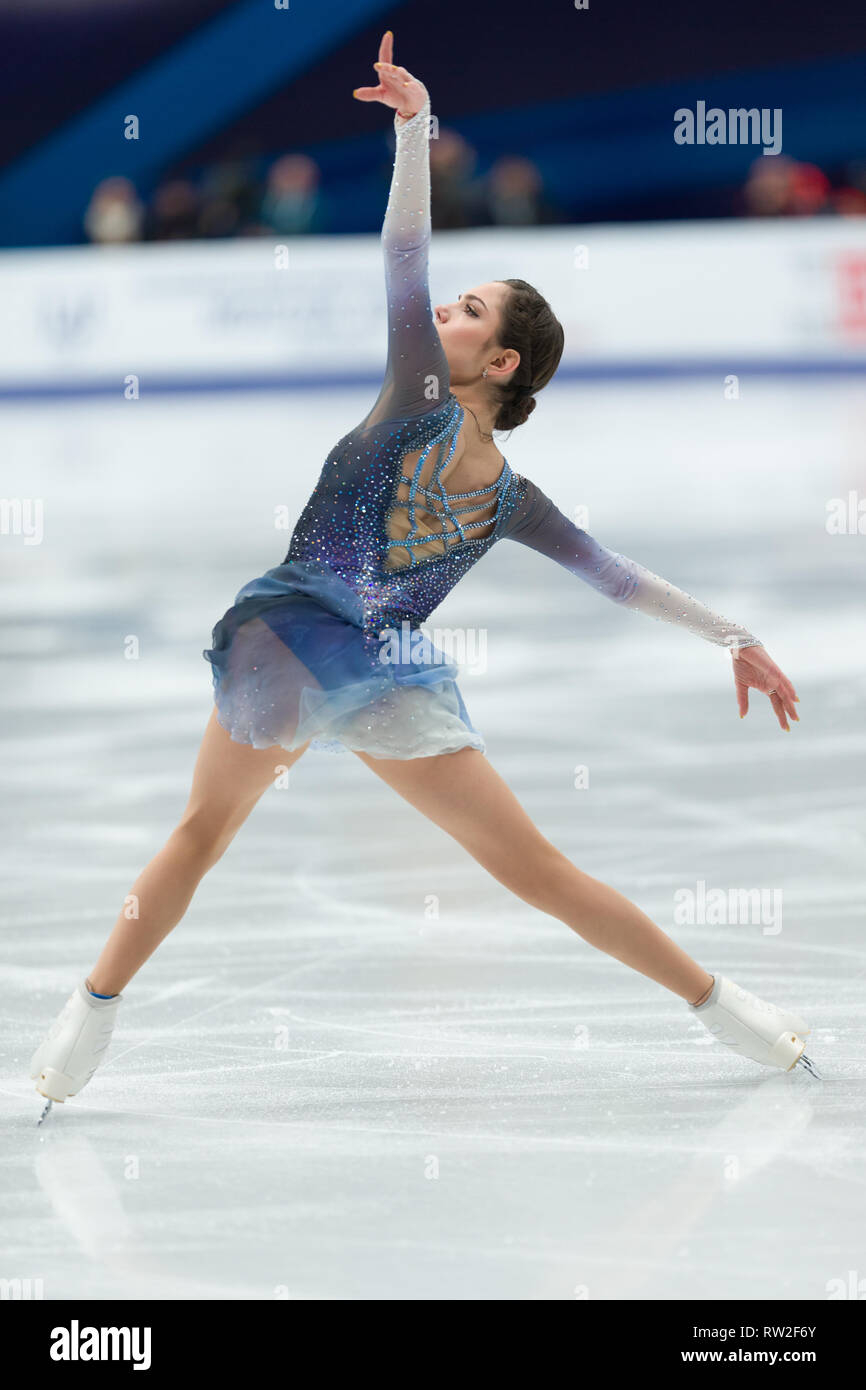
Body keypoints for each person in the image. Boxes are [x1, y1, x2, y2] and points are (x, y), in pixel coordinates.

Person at [30, 33, 816, 1110]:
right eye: (453, 305)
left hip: (313, 646)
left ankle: (89, 1015)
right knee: (491, 867)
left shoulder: (433, 413)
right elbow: (618, 579)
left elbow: (405, 263)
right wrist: (732, 636)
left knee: (227, 835)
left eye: (467, 313)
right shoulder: (494, 477)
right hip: (363, 663)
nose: (441, 312)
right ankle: (735, 1016)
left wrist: (412, 127)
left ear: (497, 364)